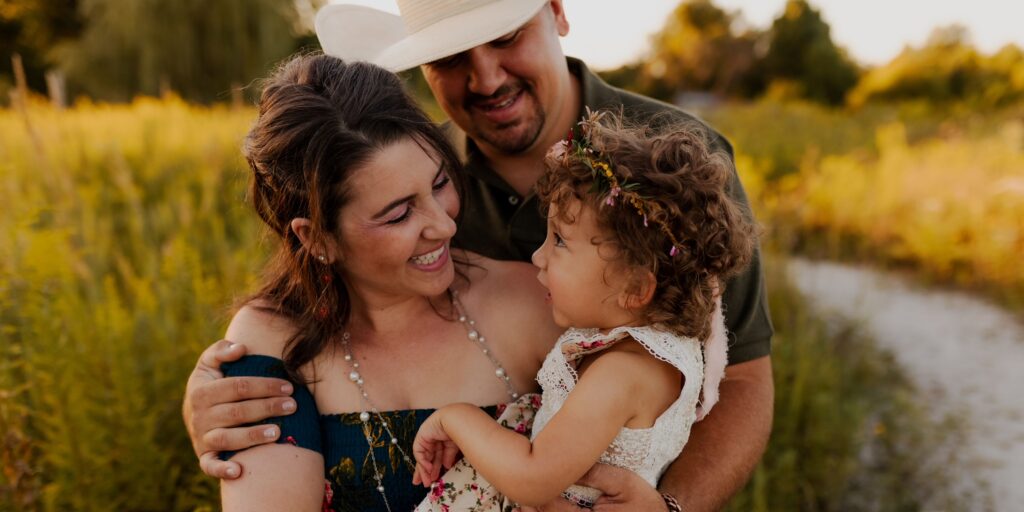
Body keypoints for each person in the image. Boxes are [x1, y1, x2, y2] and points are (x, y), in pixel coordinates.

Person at [185, 1, 775, 510]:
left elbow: (740, 380)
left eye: (505, 37)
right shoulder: (412, 156)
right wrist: (216, 405)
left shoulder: (670, 169)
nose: (486, 78)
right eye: (451, 57)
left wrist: (670, 508)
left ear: (557, 10)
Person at [216, 53, 562, 511]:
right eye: (398, 214)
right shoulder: (272, 339)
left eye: (440, 184)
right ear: (318, 237)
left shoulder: (532, 300)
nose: (443, 226)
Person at [410, 110, 756, 511]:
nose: (538, 257)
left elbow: (533, 479)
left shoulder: (621, 372)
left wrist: (455, 418)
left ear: (636, 287)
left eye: (559, 241)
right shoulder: (659, 344)